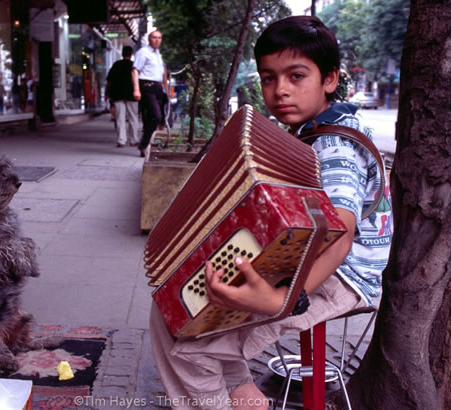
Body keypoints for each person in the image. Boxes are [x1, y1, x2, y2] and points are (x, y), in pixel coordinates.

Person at [149, 16, 393, 409]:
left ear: (329, 79)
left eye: (297, 76)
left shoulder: (335, 149)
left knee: (190, 343)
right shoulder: (313, 131)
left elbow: (341, 234)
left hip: (339, 276)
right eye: (268, 78)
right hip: (303, 261)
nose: (280, 91)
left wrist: (280, 300)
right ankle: (243, 395)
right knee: (172, 306)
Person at [132, 29, 169, 157]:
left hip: (158, 88)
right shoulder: (143, 53)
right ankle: (144, 143)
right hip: (147, 86)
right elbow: (135, 71)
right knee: (157, 116)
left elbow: (163, 75)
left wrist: (166, 90)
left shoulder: (158, 54)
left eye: (159, 38)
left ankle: (145, 145)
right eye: (154, 37)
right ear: (149, 39)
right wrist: (136, 89)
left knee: (150, 118)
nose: (157, 40)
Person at [107, 45, 139, 147]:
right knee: (133, 117)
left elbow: (109, 81)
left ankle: (121, 140)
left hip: (118, 95)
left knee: (120, 118)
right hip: (132, 95)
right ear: (131, 54)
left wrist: (108, 93)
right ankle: (134, 140)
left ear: (122, 54)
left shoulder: (116, 65)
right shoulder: (134, 65)